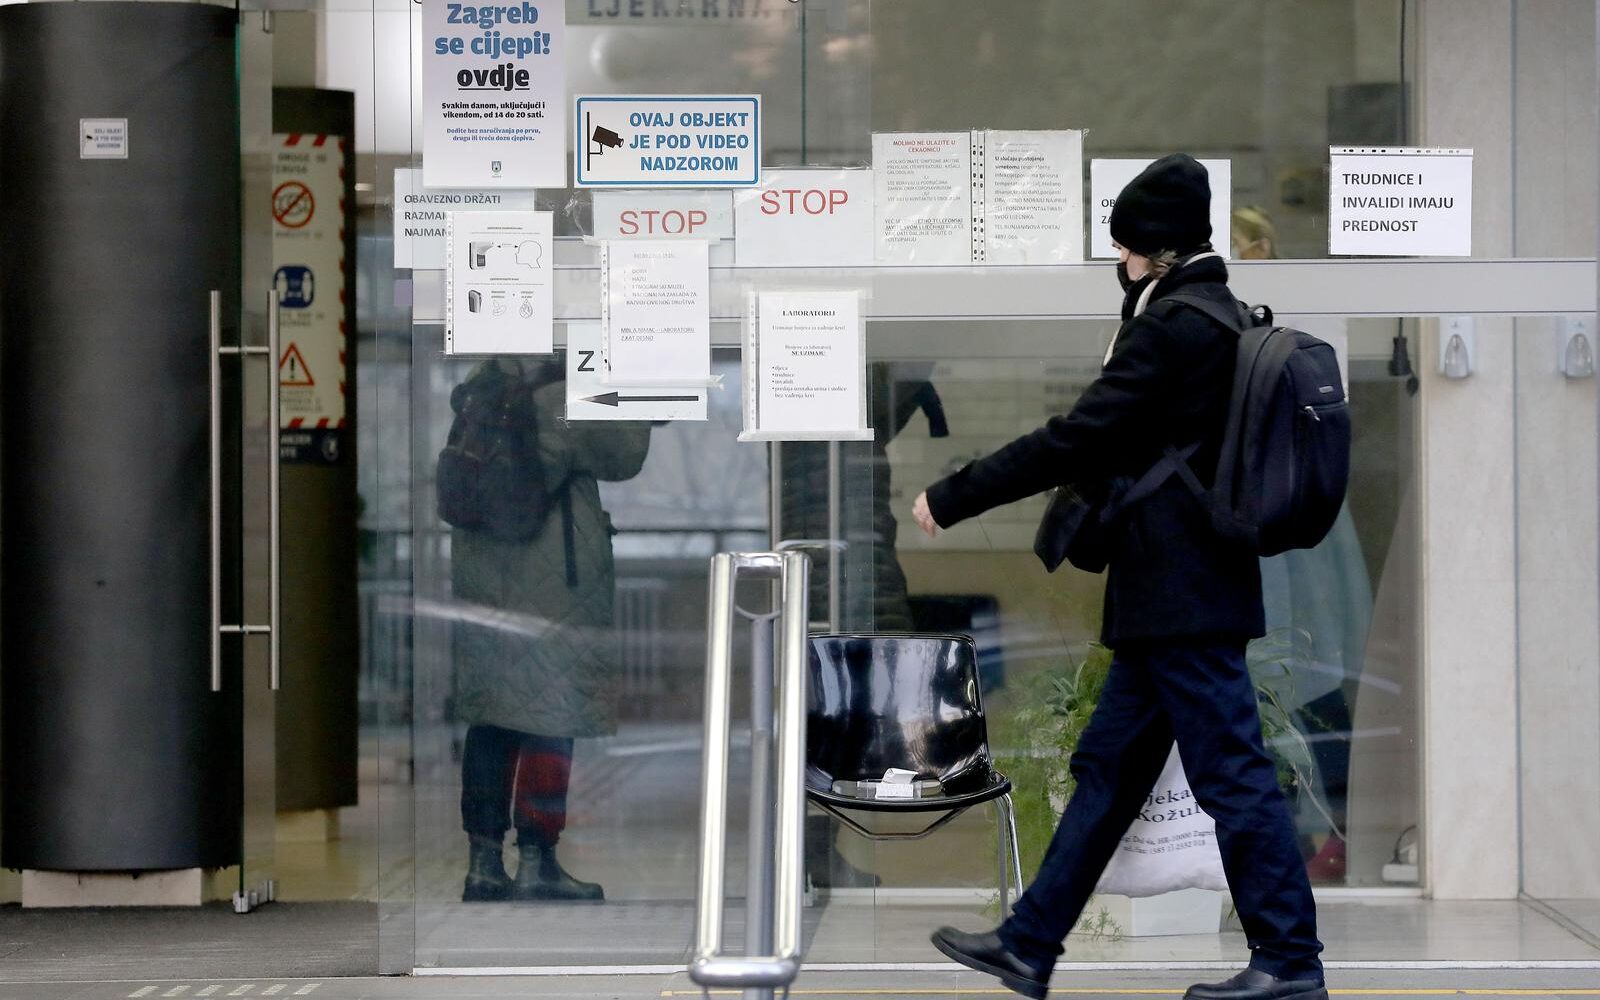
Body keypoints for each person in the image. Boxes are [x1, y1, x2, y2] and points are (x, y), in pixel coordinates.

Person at [911, 155, 1326, 1000]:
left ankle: (1289, 961)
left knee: (1233, 777)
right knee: (1109, 771)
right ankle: (1029, 943)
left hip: (1182, 600)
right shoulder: (1215, 316)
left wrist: (955, 495)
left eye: (1125, 247)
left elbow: (1078, 437)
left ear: (1154, 250)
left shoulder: (1174, 328)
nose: (1119, 260)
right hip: (1173, 599)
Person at [448, 357, 651, 903]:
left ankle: (483, 863)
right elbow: (624, 454)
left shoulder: (484, 384)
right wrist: (642, 394)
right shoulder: (569, 390)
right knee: (550, 716)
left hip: (484, 573)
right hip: (551, 580)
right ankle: (538, 860)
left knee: (492, 719)